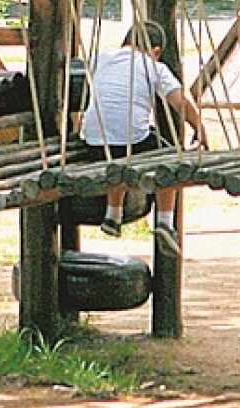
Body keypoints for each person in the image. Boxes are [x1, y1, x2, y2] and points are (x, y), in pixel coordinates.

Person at [78, 20, 205, 248]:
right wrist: (200, 129)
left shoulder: (100, 58)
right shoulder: (154, 66)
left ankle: (112, 216)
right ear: (156, 51)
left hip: (94, 141)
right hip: (130, 141)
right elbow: (180, 103)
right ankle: (165, 222)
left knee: (117, 161)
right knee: (171, 161)